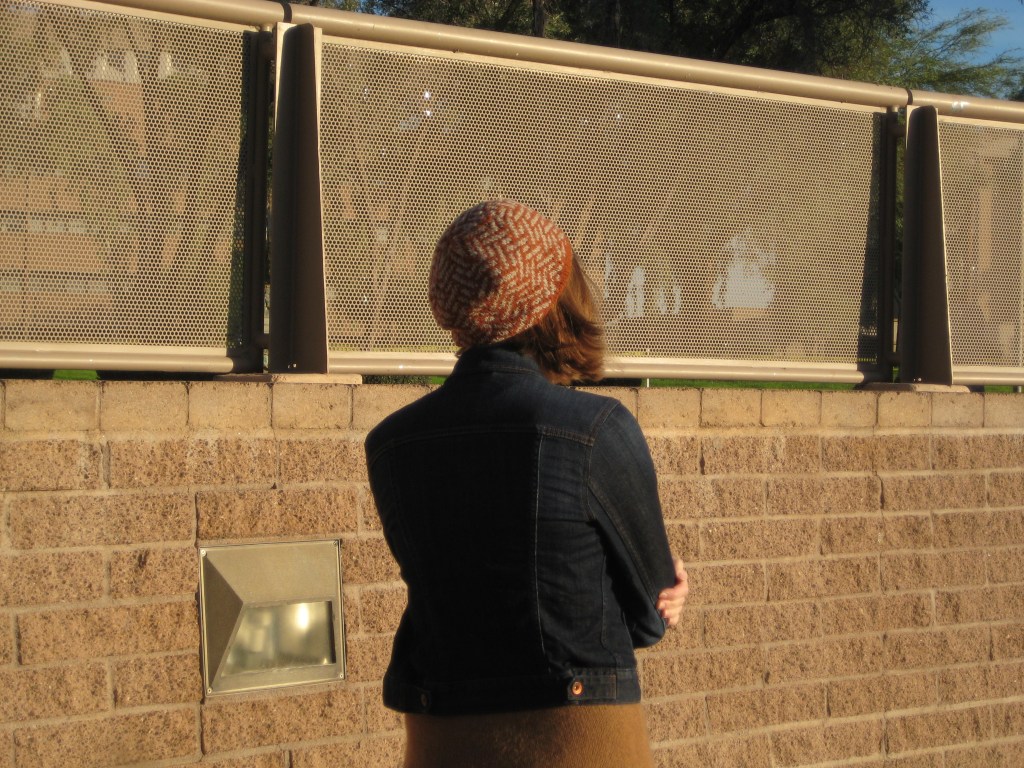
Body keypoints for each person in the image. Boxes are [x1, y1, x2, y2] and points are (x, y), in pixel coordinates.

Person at [365, 200, 689, 768]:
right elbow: (648, 615)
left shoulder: (392, 444)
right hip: (579, 743)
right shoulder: (595, 429)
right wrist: (667, 591)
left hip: (442, 743)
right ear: (554, 303)